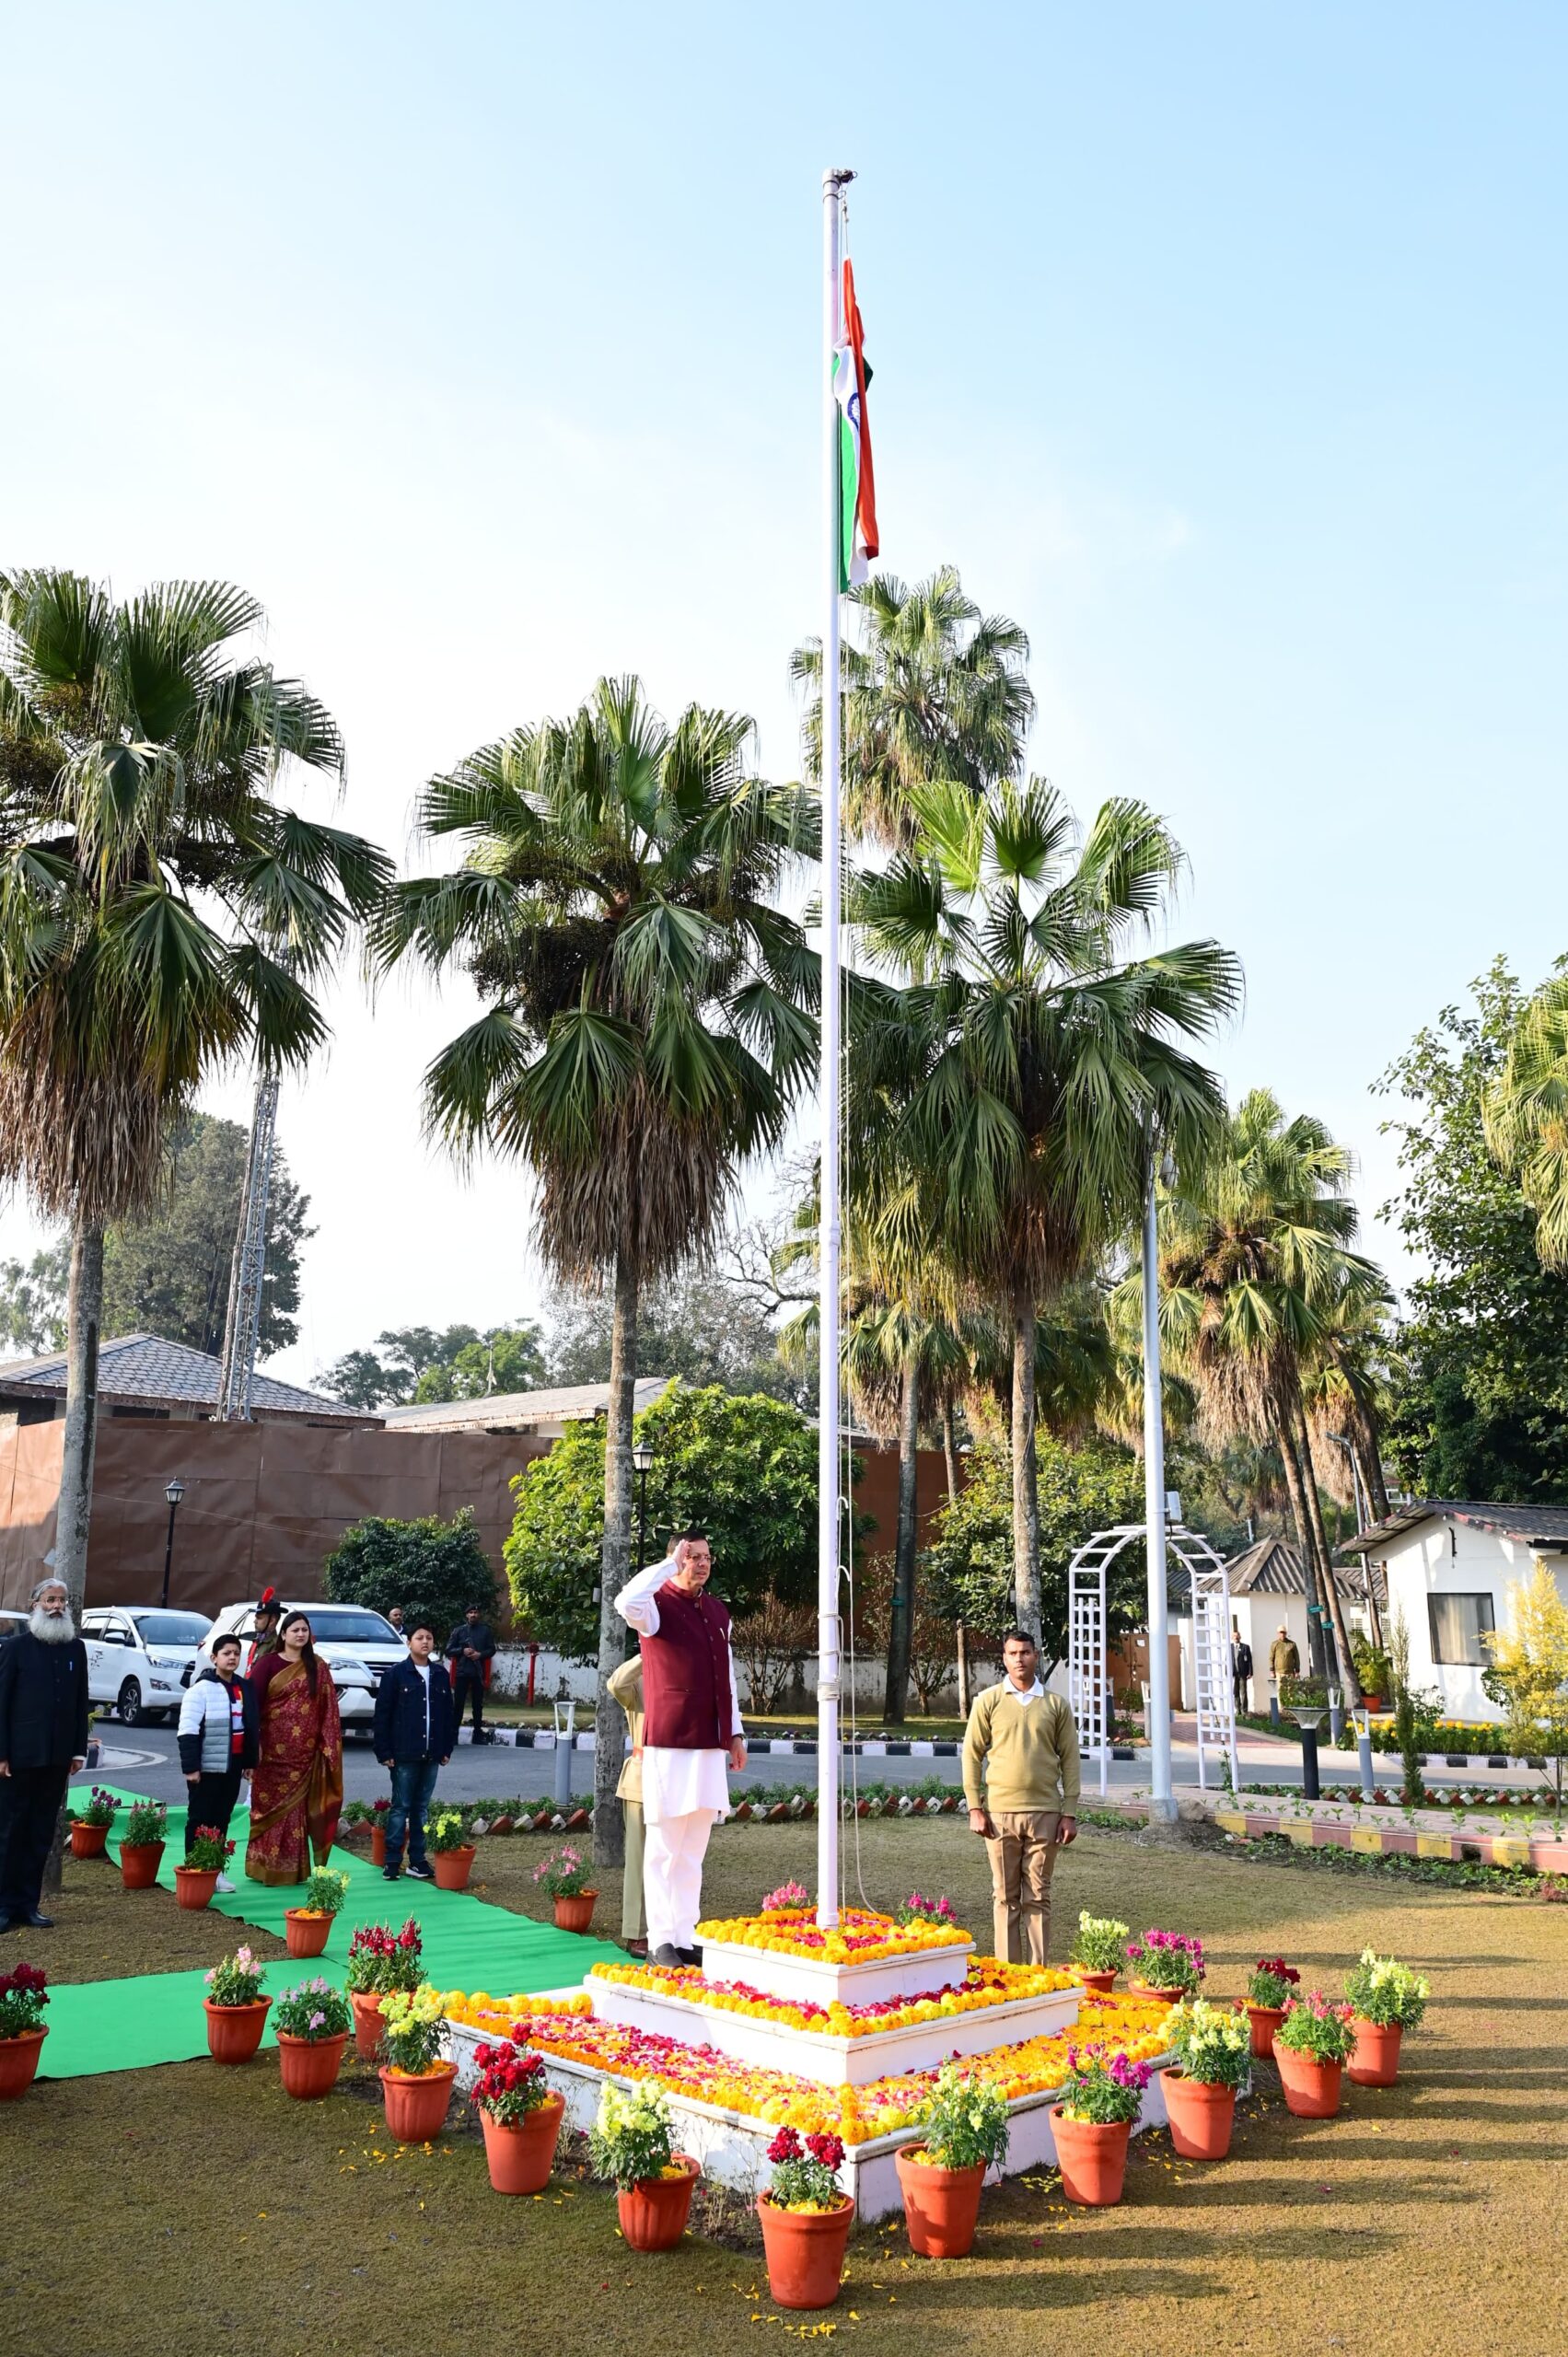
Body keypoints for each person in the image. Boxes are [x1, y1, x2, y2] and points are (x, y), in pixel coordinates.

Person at [614, 1530, 746, 1968]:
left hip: (709, 1743)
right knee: (665, 1847)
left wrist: (735, 1734)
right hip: (669, 1743)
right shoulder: (655, 1607)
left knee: (694, 1848)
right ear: (676, 1558)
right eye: (692, 1556)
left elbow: (725, 1677)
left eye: (706, 1556)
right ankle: (660, 1939)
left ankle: (686, 1935)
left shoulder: (717, 1611)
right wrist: (669, 1566)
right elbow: (624, 1601)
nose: (701, 1563)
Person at [961, 1628, 1079, 1966]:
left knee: (1038, 1896)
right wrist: (974, 1807)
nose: (1019, 1659)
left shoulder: (1055, 1705)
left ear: (1035, 1656)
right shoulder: (988, 1701)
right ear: (1004, 1658)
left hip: (1045, 1813)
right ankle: (1009, 1975)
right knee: (1005, 1895)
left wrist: (1068, 1811)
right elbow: (971, 1755)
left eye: (1025, 1652)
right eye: (1012, 1653)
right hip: (999, 1815)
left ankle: (1037, 1975)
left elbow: (1070, 1758)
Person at [0, 1576, 89, 1932]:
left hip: (56, 1758)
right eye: (49, 1600)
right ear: (35, 1604)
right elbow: (2, 1704)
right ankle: (4, 1906)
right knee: (10, 1831)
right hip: (19, 1759)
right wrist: (2, 1753)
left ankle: (28, 1904)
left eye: (61, 1601)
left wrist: (78, 1750)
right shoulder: (15, 1648)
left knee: (40, 1833)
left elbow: (81, 1701)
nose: (56, 1606)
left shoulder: (74, 1649)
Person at [245, 1610, 343, 1886]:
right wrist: (255, 1746)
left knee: (296, 1811)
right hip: (271, 1753)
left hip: (304, 1754)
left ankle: (292, 1870)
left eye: (304, 1630)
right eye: (295, 1630)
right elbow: (251, 1706)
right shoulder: (267, 1664)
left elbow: (328, 1710)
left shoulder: (318, 1667)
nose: (300, 1634)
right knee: (267, 1809)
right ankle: (262, 1866)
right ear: (284, 1634)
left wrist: (328, 1747)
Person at [372, 1618, 455, 1881]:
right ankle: (392, 1861)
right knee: (401, 1806)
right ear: (408, 1643)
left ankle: (417, 1860)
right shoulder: (396, 1675)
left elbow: (448, 1716)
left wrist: (446, 1748)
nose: (425, 1642)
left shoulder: (440, 1674)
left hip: (432, 1753)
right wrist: (384, 1752)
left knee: (422, 1808)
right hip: (404, 1753)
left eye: (429, 1638)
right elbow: (382, 1715)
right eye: (419, 1637)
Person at [178, 1631, 258, 1888]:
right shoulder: (200, 1690)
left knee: (222, 1817)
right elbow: (188, 1730)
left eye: (236, 1653)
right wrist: (191, 1768)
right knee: (200, 1817)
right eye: (226, 1653)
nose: (232, 1657)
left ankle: (214, 1870)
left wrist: (249, 1762)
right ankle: (195, 1868)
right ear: (214, 1658)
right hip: (207, 1766)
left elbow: (250, 1726)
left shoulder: (245, 1688)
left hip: (233, 1765)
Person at [606, 1653, 647, 1956]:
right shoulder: (639, 1683)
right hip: (643, 1778)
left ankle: (673, 1929)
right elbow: (616, 1682)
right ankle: (637, 1931)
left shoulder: (686, 1676)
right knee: (639, 1860)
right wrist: (648, 1654)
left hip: (679, 1781)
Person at [446, 1604, 496, 1743]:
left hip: (477, 1672)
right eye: (471, 1613)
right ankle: (454, 1733)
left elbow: (492, 1650)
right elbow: (448, 1650)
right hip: (462, 1672)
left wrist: (480, 1655)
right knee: (458, 1704)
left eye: (476, 1612)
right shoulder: (458, 1631)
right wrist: (463, 1651)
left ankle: (477, 1733)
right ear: (466, 1615)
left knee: (477, 1704)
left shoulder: (485, 1631)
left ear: (479, 1615)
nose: (473, 1615)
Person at [244, 1587, 283, 1674]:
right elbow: (249, 1669)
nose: (255, 1621)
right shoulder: (257, 1640)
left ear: (272, 1621)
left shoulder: (276, 1645)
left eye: (259, 1618)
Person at [1269, 1623, 1300, 1692]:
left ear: (1286, 1633)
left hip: (1290, 1673)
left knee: (1290, 1693)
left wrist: (1297, 1671)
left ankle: (1290, 1704)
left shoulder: (1292, 1644)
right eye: (1281, 1632)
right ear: (1278, 1633)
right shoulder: (1274, 1644)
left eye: (1284, 1632)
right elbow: (1271, 1658)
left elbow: (1297, 1658)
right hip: (1279, 1672)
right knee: (1281, 1692)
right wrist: (1272, 1671)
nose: (1282, 1634)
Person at [1232, 1620, 1255, 1714]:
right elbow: (1227, 1661)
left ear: (1240, 1637)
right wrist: (1227, 1672)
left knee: (1243, 1692)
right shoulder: (1230, 1647)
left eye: (1237, 1636)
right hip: (1234, 1674)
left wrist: (1250, 1672)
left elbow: (1249, 1660)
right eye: (1234, 1636)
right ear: (1232, 1638)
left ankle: (1244, 1710)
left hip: (1243, 1673)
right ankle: (1237, 1710)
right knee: (1235, 1692)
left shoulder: (1245, 1647)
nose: (1236, 1637)